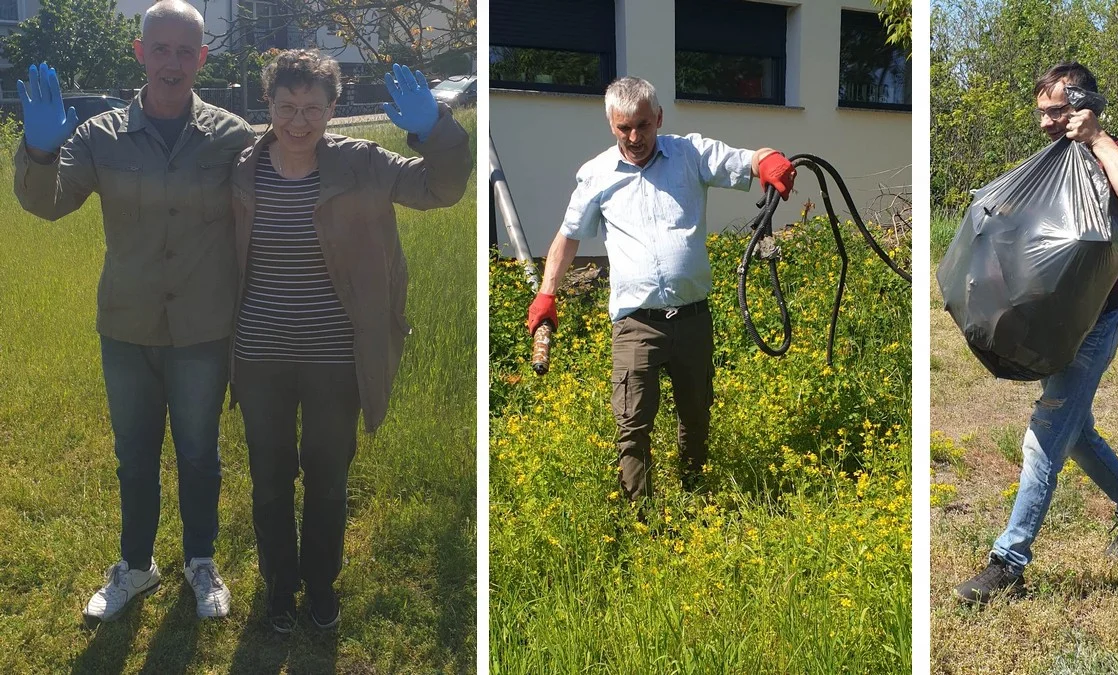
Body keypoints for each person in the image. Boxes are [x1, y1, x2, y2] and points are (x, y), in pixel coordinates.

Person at [13, 1, 255, 624]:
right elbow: (50, 204)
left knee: (200, 452)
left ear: (203, 58)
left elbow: (281, 190)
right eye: (161, 48)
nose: (173, 62)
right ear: (139, 52)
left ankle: (201, 562)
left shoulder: (232, 136)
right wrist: (39, 152)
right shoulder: (99, 136)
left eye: (186, 50)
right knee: (135, 453)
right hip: (127, 325)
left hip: (203, 327)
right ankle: (136, 566)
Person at [230, 50, 470, 632]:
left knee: (328, 474)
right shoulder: (240, 167)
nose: (299, 121)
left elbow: (440, 188)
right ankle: (279, 589)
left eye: (313, 107)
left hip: (335, 355)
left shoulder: (361, 162)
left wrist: (435, 129)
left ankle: (319, 585)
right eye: (287, 106)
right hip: (258, 353)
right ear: (269, 104)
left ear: (334, 108)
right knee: (268, 476)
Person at [525, 76, 796, 504]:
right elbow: (569, 236)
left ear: (659, 119)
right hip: (636, 325)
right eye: (624, 128)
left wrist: (770, 161)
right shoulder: (596, 175)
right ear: (611, 124)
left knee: (695, 414)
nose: (635, 137)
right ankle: (641, 517)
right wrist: (547, 294)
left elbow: (750, 158)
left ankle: (695, 494)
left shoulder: (689, 155)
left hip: (692, 319)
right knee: (632, 423)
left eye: (644, 126)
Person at [954, 62, 1118, 606]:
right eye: (1041, 113)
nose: (1047, 123)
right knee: (1077, 433)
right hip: (1052, 324)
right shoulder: (1050, 167)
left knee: (1046, 434)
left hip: (1091, 328)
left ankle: (1009, 561)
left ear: (1083, 105)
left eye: (1056, 111)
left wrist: (1095, 139)